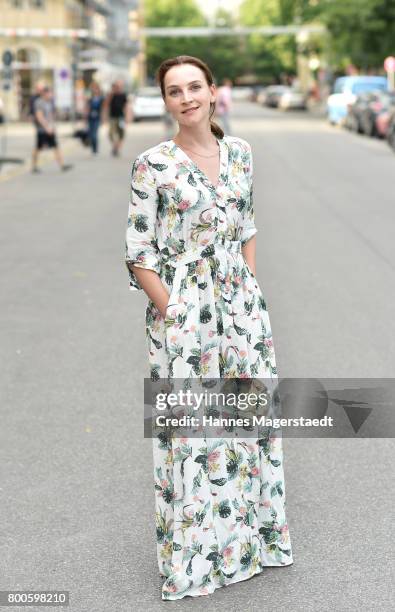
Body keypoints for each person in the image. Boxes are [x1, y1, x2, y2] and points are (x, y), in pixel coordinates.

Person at [125, 55, 293, 601]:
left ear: (214, 92)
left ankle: (253, 544)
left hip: (241, 310)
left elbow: (247, 224)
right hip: (184, 315)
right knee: (191, 432)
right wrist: (173, 311)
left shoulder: (241, 153)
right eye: (175, 91)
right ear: (168, 102)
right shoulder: (153, 165)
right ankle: (196, 562)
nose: (187, 97)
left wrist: (247, 289)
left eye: (195, 86)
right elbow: (138, 254)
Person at [31, 86, 72, 173]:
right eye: (49, 93)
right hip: (42, 130)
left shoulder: (49, 102)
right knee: (38, 148)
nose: (51, 95)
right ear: (44, 93)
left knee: (56, 146)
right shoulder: (39, 102)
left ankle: (62, 165)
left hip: (50, 128)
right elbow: (39, 116)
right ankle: (34, 166)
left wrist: (53, 126)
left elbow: (50, 115)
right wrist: (47, 128)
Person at [105, 80, 128, 157]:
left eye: (118, 87)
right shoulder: (111, 95)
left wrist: (127, 117)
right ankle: (115, 146)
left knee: (121, 134)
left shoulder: (123, 95)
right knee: (110, 134)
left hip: (121, 117)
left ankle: (117, 147)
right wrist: (111, 95)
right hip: (113, 117)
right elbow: (106, 104)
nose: (117, 88)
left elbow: (126, 106)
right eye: (115, 87)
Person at [84, 81, 105, 155]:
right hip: (90, 118)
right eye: (93, 88)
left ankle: (95, 149)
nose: (94, 90)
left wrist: (103, 119)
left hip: (97, 118)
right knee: (90, 133)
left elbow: (103, 109)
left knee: (94, 134)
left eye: (95, 88)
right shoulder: (90, 98)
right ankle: (93, 149)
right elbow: (87, 108)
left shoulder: (101, 98)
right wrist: (85, 118)